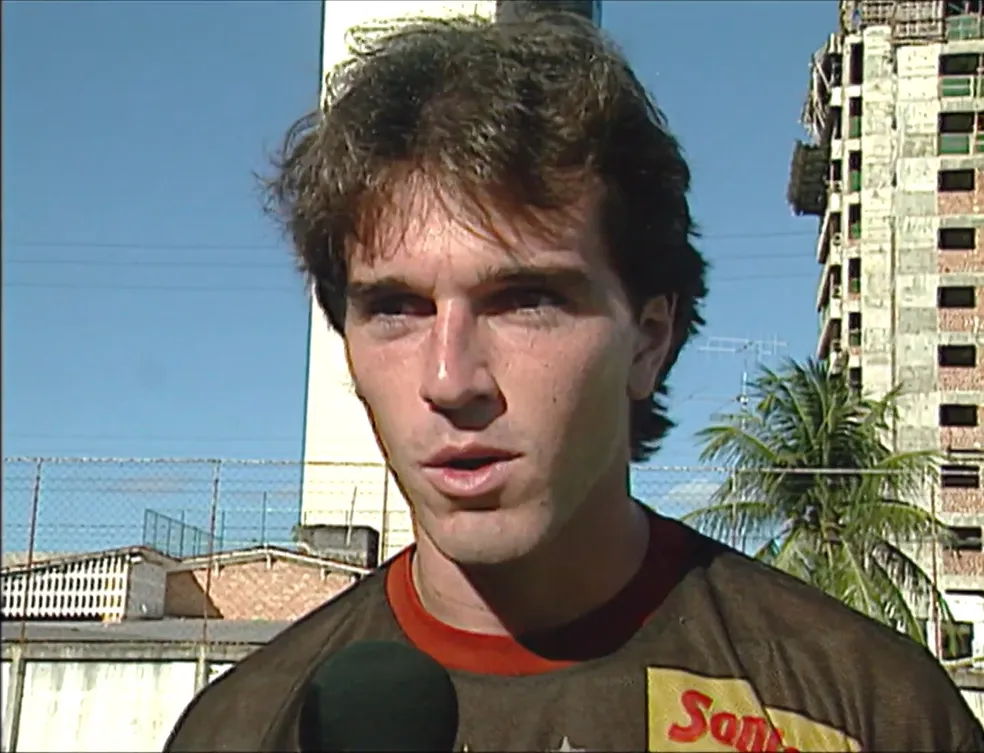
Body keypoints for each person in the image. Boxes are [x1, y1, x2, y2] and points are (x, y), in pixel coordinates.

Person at [165, 10, 984, 753]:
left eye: (525, 300)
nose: (451, 378)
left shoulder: (871, 714)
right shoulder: (244, 728)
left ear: (648, 340)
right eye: (397, 309)